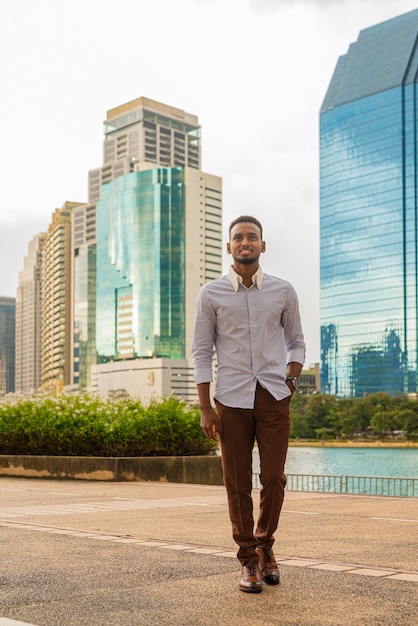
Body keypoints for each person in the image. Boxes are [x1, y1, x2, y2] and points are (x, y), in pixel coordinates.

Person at [192, 215, 305, 593]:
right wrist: (206, 407)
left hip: (274, 397)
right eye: (238, 237)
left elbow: (297, 343)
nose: (245, 243)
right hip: (231, 400)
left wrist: (290, 381)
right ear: (228, 247)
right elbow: (201, 352)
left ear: (262, 245)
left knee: (273, 478)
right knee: (236, 483)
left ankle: (265, 544)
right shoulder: (210, 294)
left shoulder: (283, 291)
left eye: (252, 237)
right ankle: (248, 560)